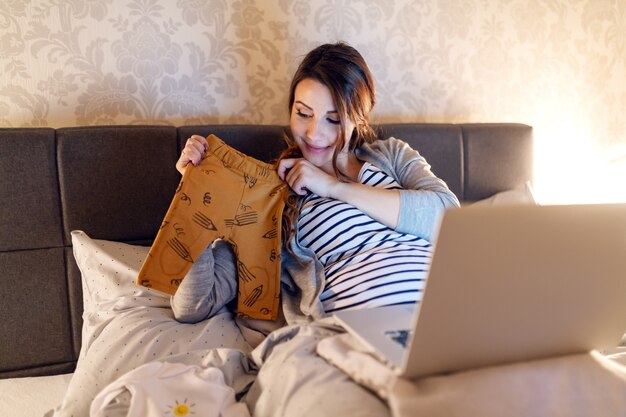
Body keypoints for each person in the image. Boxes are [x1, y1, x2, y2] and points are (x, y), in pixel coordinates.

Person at [171, 42, 460, 328]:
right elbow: (193, 305)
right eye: (303, 114)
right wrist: (196, 193)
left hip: (453, 308)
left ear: (359, 117)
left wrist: (334, 187)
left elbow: (449, 218)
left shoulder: (392, 156)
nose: (313, 134)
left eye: (333, 119)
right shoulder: (269, 197)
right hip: (368, 335)